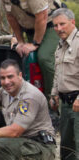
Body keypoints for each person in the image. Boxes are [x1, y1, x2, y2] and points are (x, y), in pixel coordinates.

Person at [0, 59, 56, 159]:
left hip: (40, 147)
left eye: (10, 77)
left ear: (20, 76)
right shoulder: (5, 90)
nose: (6, 82)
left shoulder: (29, 97)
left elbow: (15, 131)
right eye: (2, 78)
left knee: (0, 145)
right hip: (23, 143)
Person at [0, 0, 63, 99]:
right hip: (32, 28)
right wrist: (20, 41)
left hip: (51, 24)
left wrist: (35, 43)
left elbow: (42, 16)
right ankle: (36, 99)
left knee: (45, 58)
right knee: (31, 59)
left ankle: (54, 99)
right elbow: (10, 17)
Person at [50, 8, 79, 160]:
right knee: (67, 148)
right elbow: (58, 73)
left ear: (72, 22)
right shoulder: (61, 44)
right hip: (65, 103)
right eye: (55, 25)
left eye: (62, 24)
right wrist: (54, 94)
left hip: (78, 101)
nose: (58, 29)